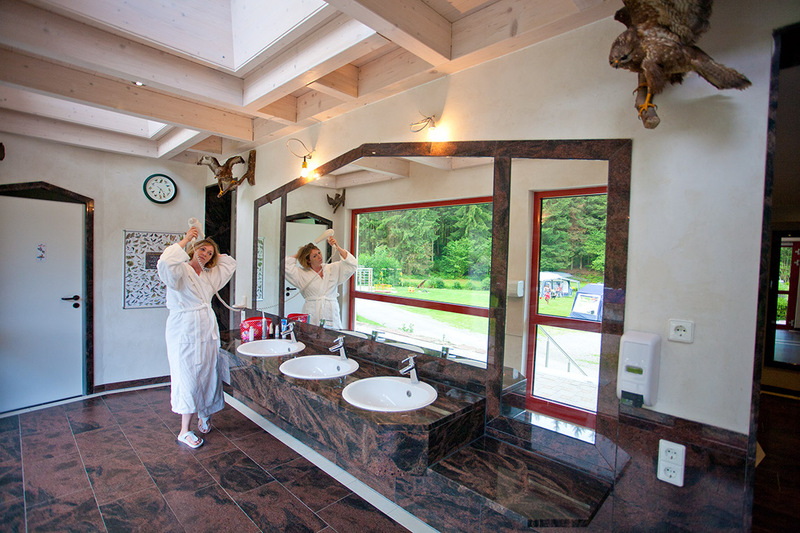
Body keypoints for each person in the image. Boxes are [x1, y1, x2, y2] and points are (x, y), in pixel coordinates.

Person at [157, 226, 236, 449]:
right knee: (188, 378)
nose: (206, 255)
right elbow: (165, 262)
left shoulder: (210, 275)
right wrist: (186, 241)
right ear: (193, 249)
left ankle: (204, 413)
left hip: (206, 329)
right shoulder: (179, 271)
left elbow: (230, 263)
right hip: (184, 329)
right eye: (202, 250)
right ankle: (184, 430)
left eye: (210, 253)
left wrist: (213, 252)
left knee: (209, 374)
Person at [284, 235, 357, 329]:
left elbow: (352, 264)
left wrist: (337, 247)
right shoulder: (301, 274)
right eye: (314, 256)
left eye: (319, 253)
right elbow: (285, 266)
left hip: (331, 311)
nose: (319, 256)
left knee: (332, 335)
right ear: (308, 260)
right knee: (311, 335)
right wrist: (300, 253)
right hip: (312, 312)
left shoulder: (332, 268)